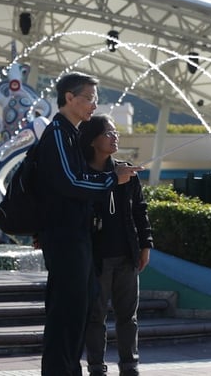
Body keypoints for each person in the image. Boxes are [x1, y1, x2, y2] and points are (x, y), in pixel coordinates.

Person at [36, 73, 140, 376]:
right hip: (65, 238)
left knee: (76, 315)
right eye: (90, 98)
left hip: (75, 237)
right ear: (69, 98)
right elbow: (70, 182)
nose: (94, 105)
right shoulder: (58, 132)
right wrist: (112, 179)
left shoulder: (69, 134)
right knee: (66, 315)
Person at [81, 115, 154, 376]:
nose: (115, 137)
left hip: (126, 255)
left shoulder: (126, 170)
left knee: (128, 317)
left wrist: (145, 245)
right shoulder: (82, 174)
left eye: (115, 133)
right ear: (92, 140)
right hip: (96, 258)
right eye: (108, 133)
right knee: (95, 317)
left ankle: (129, 366)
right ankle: (96, 367)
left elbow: (140, 212)